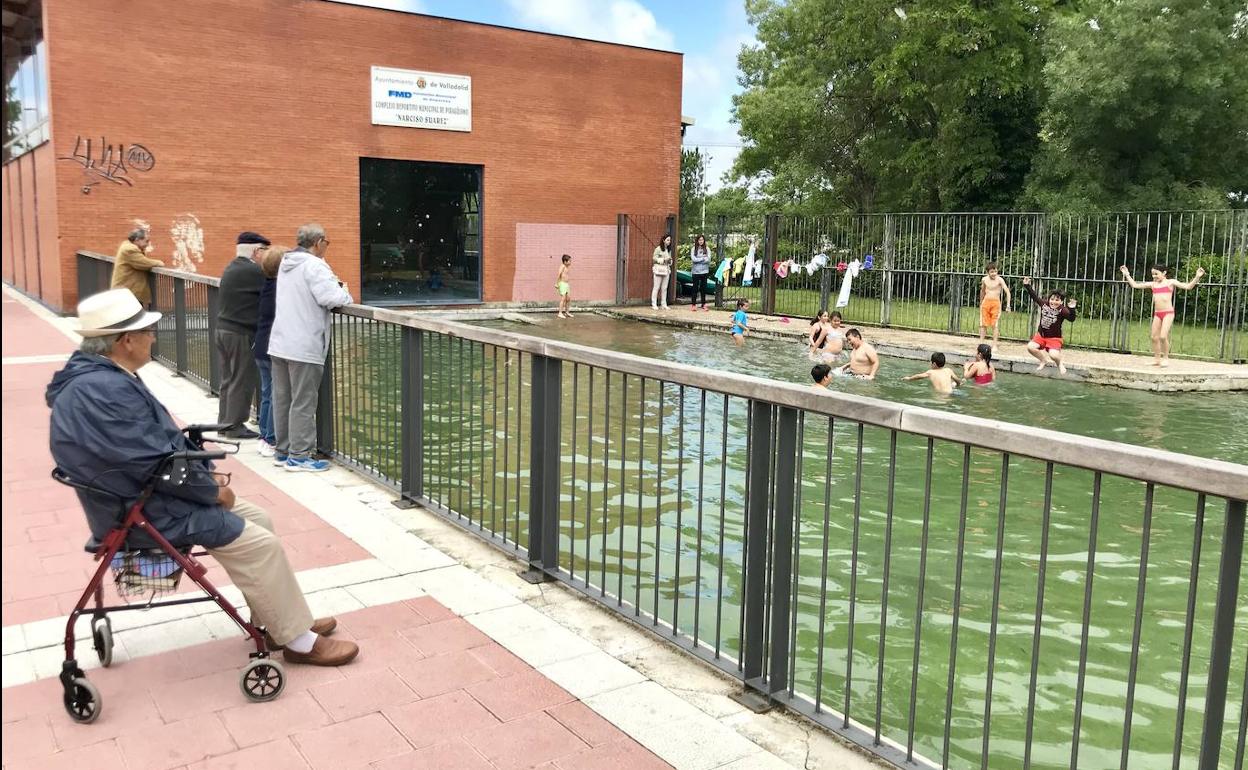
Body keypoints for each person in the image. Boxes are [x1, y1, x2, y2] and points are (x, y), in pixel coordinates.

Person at [46, 288, 358, 666]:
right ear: (126, 341)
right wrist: (212, 492)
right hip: (145, 513)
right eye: (147, 332)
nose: (153, 337)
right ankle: (297, 641)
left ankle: (281, 621)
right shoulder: (105, 390)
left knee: (260, 519)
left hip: (137, 498)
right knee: (261, 545)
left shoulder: (96, 377)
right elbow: (153, 463)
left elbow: (147, 457)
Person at [268, 224, 352, 472]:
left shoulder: (286, 263)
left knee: (283, 399)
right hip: (304, 344)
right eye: (327, 241)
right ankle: (300, 455)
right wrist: (344, 291)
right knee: (303, 401)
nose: (327, 246)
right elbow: (332, 298)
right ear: (318, 242)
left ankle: (282, 451)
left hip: (280, 342)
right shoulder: (314, 266)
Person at [215, 232, 271, 439]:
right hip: (240, 332)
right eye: (265, 251)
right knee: (242, 379)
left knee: (228, 379)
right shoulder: (253, 270)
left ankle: (224, 423)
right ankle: (235, 426)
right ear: (257, 251)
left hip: (224, 329)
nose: (267, 256)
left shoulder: (233, 266)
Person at [1119, 263, 1206, 367]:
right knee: (1154, 337)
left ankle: (1165, 358)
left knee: (1163, 336)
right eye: (1152, 274)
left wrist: (1197, 276)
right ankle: (1157, 359)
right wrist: (1127, 274)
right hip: (1157, 314)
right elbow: (1135, 285)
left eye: (1156, 274)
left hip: (1168, 313)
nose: (1154, 276)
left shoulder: (1170, 282)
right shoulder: (1153, 284)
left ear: (1164, 273)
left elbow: (1188, 287)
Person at [252, 246, 288, 456]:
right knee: (277, 394)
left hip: (261, 345)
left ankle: (264, 434)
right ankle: (271, 437)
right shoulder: (280, 288)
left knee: (267, 392)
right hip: (273, 347)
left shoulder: (266, 284)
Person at [1022, 277, 1077, 374]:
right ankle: (1043, 360)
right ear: (1049, 299)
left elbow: (1071, 319)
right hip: (1041, 336)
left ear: (1061, 302)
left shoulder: (1062, 310)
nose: (1054, 302)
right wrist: (1027, 286)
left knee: (1054, 355)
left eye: (1057, 300)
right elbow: (1035, 297)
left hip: (1054, 338)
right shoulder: (1044, 304)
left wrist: (1072, 309)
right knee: (1030, 347)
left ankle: (1060, 364)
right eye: (1052, 299)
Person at [111, 228, 163, 307]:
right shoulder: (130, 249)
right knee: (131, 317)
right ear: (137, 240)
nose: (148, 244)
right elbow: (144, 263)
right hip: (127, 293)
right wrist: (159, 263)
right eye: (146, 241)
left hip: (126, 292)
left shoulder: (127, 246)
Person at [979, 262, 1012, 349]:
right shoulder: (984, 280)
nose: (994, 274)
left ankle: (994, 345)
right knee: (983, 324)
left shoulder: (1000, 280)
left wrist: (1008, 305)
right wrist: (981, 302)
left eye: (995, 271)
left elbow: (1007, 292)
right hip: (986, 303)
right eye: (992, 272)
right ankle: (981, 344)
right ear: (987, 272)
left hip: (995, 304)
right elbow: (982, 291)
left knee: (995, 324)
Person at [690, 234, 712, 310]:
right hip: (696, 272)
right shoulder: (693, 249)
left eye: (702, 240)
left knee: (703, 289)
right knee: (695, 288)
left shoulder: (707, 249)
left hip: (704, 272)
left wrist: (699, 259)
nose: (701, 241)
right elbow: (693, 259)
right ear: (697, 241)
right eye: (699, 240)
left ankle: (703, 304)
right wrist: (703, 258)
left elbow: (708, 259)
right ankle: (693, 304)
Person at [652, 235, 673, 310]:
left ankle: (663, 304)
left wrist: (670, 261)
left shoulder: (668, 250)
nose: (669, 242)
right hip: (659, 269)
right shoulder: (658, 249)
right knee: (656, 287)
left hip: (666, 270)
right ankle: (654, 303)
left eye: (669, 240)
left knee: (664, 288)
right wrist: (663, 260)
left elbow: (670, 260)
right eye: (667, 240)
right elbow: (654, 258)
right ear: (663, 240)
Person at [556, 254, 573, 318]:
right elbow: (559, 275)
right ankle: (560, 313)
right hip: (562, 284)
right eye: (569, 261)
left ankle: (567, 312)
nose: (570, 262)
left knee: (568, 299)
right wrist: (557, 283)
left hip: (566, 284)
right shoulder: (562, 266)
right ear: (565, 261)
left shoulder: (567, 267)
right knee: (563, 298)